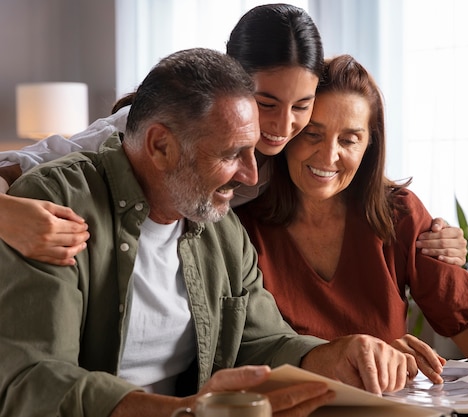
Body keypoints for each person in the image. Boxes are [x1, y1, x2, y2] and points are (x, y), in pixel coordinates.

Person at [0, 48, 415, 417]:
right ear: (161, 147)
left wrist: (333, 355)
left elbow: (266, 341)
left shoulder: (221, 228)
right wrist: (181, 412)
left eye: (253, 151)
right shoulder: (52, 206)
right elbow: (32, 380)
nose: (252, 174)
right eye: (232, 154)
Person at [234, 54, 468, 384]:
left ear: (369, 145)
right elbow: (250, 353)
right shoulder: (241, 227)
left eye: (349, 139)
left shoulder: (399, 214)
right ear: (289, 131)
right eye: (313, 134)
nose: (328, 155)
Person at [0, 3, 466, 267]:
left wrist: (436, 235)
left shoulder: (288, 148)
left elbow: (340, 165)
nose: (283, 128)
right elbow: (13, 167)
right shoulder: (145, 130)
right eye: (266, 105)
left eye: (301, 107)